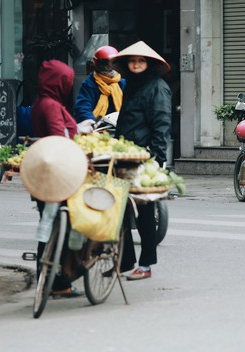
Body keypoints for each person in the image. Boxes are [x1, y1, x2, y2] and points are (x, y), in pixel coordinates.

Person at [110, 41, 172, 281]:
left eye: (141, 61)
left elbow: (161, 125)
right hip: (124, 155)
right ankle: (124, 262)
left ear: (149, 64)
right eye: (132, 61)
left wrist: (155, 160)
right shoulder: (131, 86)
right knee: (119, 211)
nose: (136, 64)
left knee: (144, 214)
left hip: (145, 157)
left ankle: (145, 265)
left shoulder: (157, 87)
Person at [30, 59, 82, 298]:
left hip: (47, 173)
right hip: (58, 174)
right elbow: (58, 136)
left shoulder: (43, 102)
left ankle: (49, 277)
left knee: (50, 225)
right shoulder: (51, 105)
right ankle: (59, 279)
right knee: (62, 225)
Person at [74, 45, 125, 133]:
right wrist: (91, 122)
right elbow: (83, 105)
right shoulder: (89, 83)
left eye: (113, 64)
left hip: (119, 127)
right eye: (105, 64)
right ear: (96, 64)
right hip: (96, 128)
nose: (109, 68)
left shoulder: (123, 83)